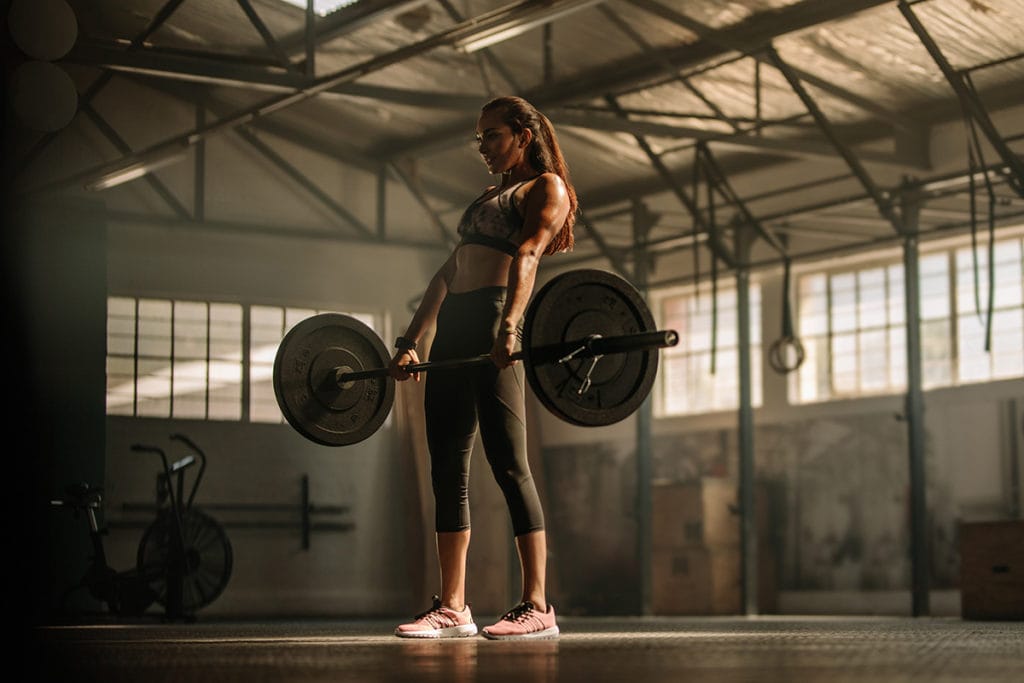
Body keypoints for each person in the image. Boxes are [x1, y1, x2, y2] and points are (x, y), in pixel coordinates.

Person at [389, 96, 577, 640]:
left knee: (508, 463)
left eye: (492, 136)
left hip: (496, 317)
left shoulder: (546, 188)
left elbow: (528, 256)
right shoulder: (484, 198)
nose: (483, 148)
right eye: (479, 140)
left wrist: (510, 327)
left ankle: (538, 605)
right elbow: (448, 270)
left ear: (523, 134)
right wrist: (410, 341)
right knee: (446, 465)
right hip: (454, 327)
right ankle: (453, 607)